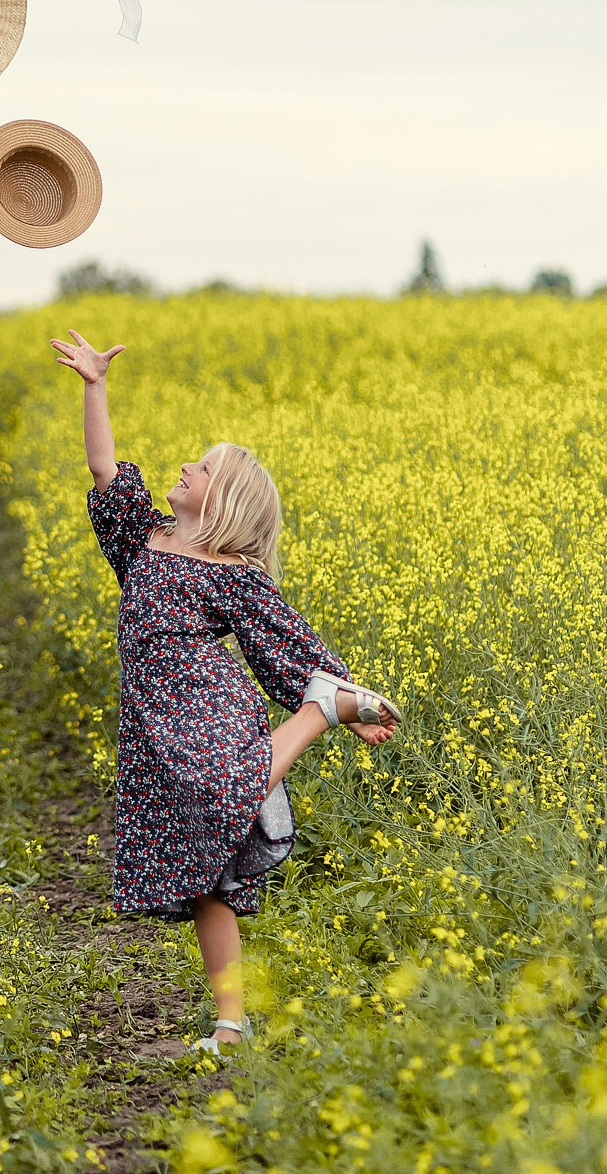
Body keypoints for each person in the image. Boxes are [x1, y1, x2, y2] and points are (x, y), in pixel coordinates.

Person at [48, 327, 401, 1051]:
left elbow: (287, 636)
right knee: (211, 878)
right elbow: (103, 467)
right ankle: (230, 1022)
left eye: (201, 468)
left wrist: (349, 695)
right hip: (154, 727)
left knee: (224, 790)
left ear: (226, 503)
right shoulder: (141, 538)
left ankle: (319, 713)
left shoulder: (229, 569)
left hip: (208, 707)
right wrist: (95, 386)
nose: (184, 465)